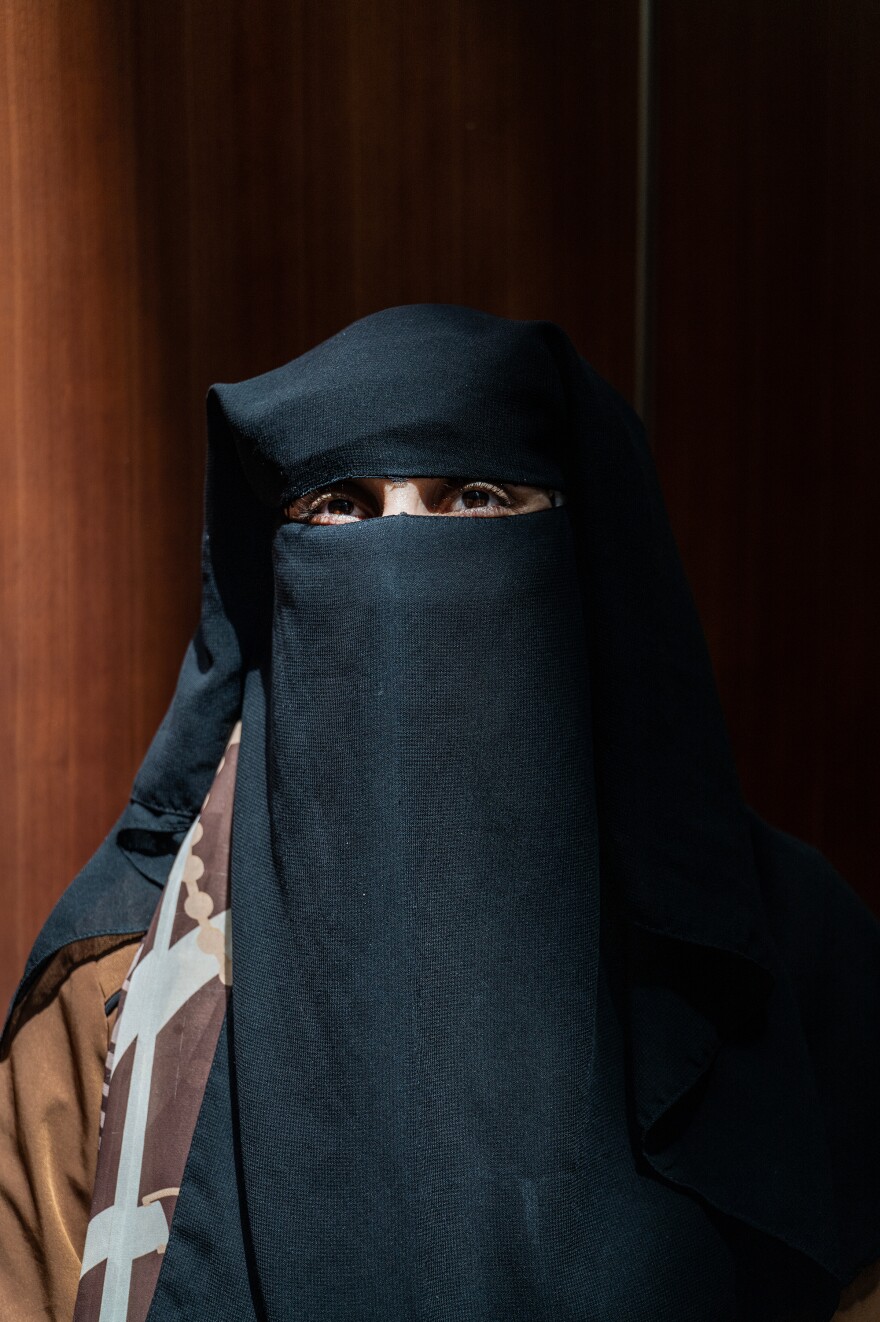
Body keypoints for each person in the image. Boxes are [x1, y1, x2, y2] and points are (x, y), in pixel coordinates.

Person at [1, 304, 878, 1321]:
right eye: (340, 504)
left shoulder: (785, 962)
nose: (404, 554)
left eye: (473, 495)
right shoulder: (119, 988)